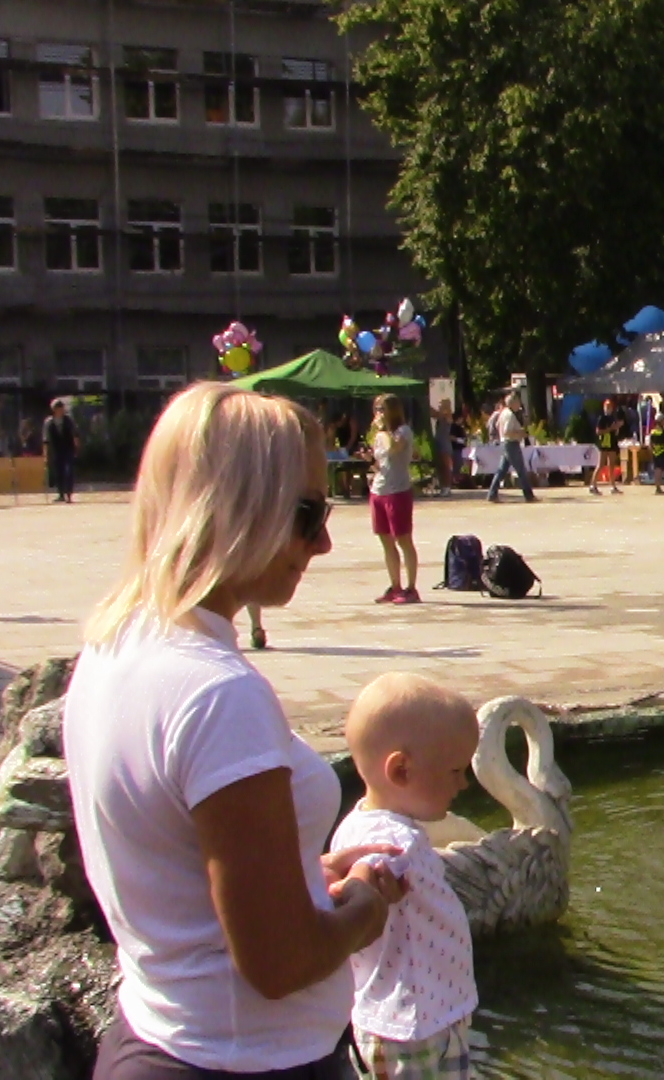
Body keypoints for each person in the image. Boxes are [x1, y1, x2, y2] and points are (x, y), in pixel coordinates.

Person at [63, 382, 407, 1079]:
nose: (325, 542)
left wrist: (301, 878)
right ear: (237, 507)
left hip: (156, 1034)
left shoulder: (113, 647)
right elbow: (280, 964)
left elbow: (180, 873)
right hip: (247, 1060)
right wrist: (368, 906)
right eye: (307, 514)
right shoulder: (220, 694)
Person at [333, 674, 480, 1080]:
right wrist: (360, 880)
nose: (463, 783)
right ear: (401, 770)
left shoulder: (358, 822)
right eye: (455, 770)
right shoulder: (392, 840)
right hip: (416, 1023)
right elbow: (377, 868)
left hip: (409, 1015)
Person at [367, 394, 421, 604]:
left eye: (381, 409)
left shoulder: (402, 431)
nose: (378, 413)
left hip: (398, 490)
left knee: (403, 539)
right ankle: (395, 585)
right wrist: (370, 462)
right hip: (379, 490)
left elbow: (394, 448)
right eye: (376, 409)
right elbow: (380, 461)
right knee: (385, 539)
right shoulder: (379, 435)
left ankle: (411, 588)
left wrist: (384, 430)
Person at [485, 393, 538, 504]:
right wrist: (521, 432)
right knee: (521, 470)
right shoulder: (509, 415)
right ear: (513, 402)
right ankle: (529, 495)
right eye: (518, 401)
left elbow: (498, 426)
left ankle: (492, 494)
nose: (519, 404)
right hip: (511, 443)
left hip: (506, 443)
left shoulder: (503, 413)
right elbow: (507, 431)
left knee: (502, 470)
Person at [42, 398, 81, 503]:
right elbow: (45, 440)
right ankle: (60, 494)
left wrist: (76, 448)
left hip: (68, 449)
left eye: (62, 408)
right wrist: (45, 455)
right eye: (58, 408)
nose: (61, 410)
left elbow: (75, 435)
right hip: (56, 450)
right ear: (54, 409)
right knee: (58, 472)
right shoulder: (49, 422)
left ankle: (69, 494)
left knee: (69, 471)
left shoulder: (69, 420)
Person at [591, 399, 624, 495]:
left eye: (610, 407)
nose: (608, 408)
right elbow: (598, 432)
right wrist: (610, 429)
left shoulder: (612, 418)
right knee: (601, 465)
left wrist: (618, 426)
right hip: (604, 443)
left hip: (612, 443)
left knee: (611, 465)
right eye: (607, 406)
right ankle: (593, 485)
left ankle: (613, 486)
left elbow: (615, 429)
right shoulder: (601, 418)